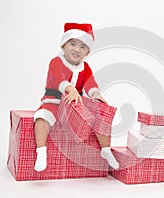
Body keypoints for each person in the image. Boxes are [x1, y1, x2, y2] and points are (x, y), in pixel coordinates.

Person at [33, 23, 119, 172]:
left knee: (99, 117)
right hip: (54, 101)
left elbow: (90, 82)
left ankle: (105, 150)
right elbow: (58, 78)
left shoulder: (85, 67)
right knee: (42, 117)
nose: (77, 49)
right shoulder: (56, 61)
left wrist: (96, 94)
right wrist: (69, 88)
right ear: (63, 46)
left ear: (87, 52)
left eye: (82, 47)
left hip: (75, 105)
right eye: (73, 44)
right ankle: (41, 151)